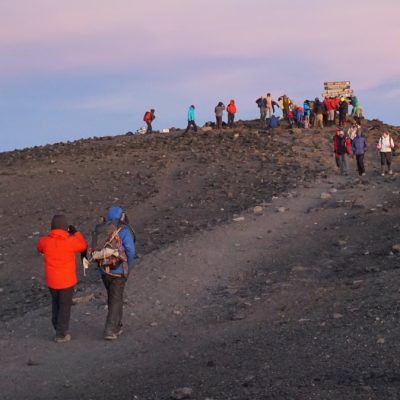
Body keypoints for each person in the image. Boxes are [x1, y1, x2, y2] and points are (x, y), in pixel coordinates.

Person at [36, 215, 88, 343]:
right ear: (65, 227)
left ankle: (57, 326)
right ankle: (61, 334)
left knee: (56, 303)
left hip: (52, 281)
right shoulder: (70, 241)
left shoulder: (45, 241)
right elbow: (83, 246)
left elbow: (39, 247)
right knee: (65, 306)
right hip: (66, 280)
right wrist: (76, 233)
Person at [93, 206, 135, 340]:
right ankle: (110, 330)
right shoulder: (124, 230)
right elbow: (130, 250)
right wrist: (128, 265)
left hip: (104, 270)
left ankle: (117, 325)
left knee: (113, 296)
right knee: (116, 298)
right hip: (118, 270)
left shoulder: (101, 229)